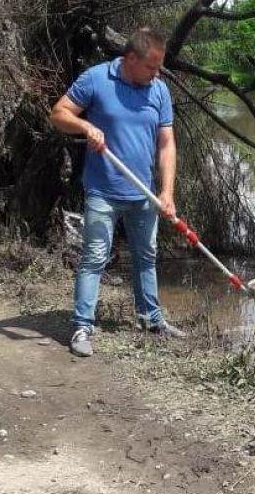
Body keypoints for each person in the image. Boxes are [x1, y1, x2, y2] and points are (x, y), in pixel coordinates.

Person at [50, 27, 186, 357]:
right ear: (129, 59)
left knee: (146, 257)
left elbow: (166, 144)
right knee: (95, 257)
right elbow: (58, 113)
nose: (156, 74)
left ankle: (151, 319)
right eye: (151, 67)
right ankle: (82, 326)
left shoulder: (159, 91)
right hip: (103, 191)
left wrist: (166, 192)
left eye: (159, 68)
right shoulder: (96, 79)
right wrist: (86, 127)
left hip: (144, 196)